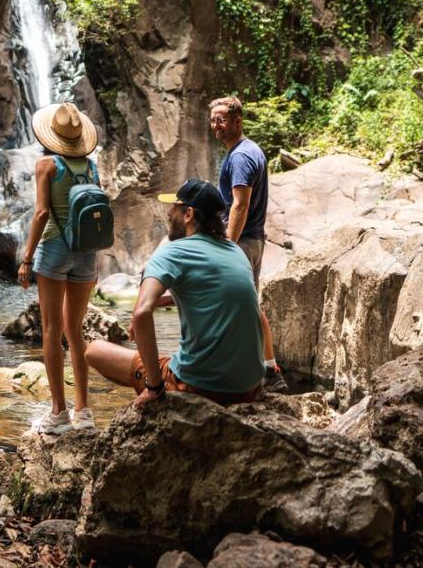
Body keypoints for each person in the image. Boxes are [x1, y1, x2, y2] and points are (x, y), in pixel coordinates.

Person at [85, 179, 265, 406]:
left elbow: (141, 314)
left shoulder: (172, 252)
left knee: (94, 350)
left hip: (203, 389)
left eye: (175, 208)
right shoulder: (235, 251)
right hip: (249, 388)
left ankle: (154, 390)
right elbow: (215, 297)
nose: (169, 213)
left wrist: (154, 385)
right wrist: (162, 302)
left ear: (188, 214)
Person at [18, 101, 101, 434]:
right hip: (87, 251)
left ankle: (58, 414)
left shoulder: (46, 164)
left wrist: (26, 259)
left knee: (51, 330)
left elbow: (41, 214)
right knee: (76, 331)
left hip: (54, 249)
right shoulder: (91, 166)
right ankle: (85, 412)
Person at [210, 95, 287, 393]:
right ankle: (268, 371)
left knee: (234, 306)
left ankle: (248, 372)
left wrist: (227, 246)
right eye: (213, 119)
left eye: (221, 120)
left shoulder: (241, 156)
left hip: (242, 241)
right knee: (248, 305)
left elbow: (239, 206)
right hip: (252, 240)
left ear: (237, 121)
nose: (215, 125)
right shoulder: (248, 150)